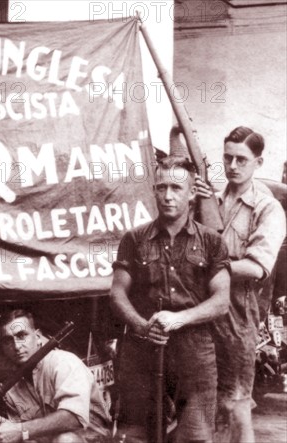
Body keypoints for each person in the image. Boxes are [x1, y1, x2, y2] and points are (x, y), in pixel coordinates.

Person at [110, 156, 231, 442]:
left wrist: (180, 318)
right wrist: (141, 326)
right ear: (154, 190)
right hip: (143, 350)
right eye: (161, 187)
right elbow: (117, 294)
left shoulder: (211, 241)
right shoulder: (134, 239)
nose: (167, 196)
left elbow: (222, 300)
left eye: (176, 188)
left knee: (196, 435)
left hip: (194, 351)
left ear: (191, 193)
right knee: (135, 435)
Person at [196, 127, 286, 442]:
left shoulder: (268, 208)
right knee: (208, 399)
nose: (233, 166)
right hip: (203, 306)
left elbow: (257, 267)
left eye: (242, 160)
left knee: (236, 402)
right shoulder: (213, 198)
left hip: (239, 311)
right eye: (228, 158)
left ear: (258, 162)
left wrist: (211, 268)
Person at [0, 309, 112, 443]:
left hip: (92, 439)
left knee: (66, 440)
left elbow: (73, 419)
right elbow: (24, 435)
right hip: (47, 441)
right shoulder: (11, 386)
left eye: (22, 335)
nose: (17, 346)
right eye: (8, 341)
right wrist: (6, 429)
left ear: (38, 336)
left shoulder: (63, 362)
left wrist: (20, 430)